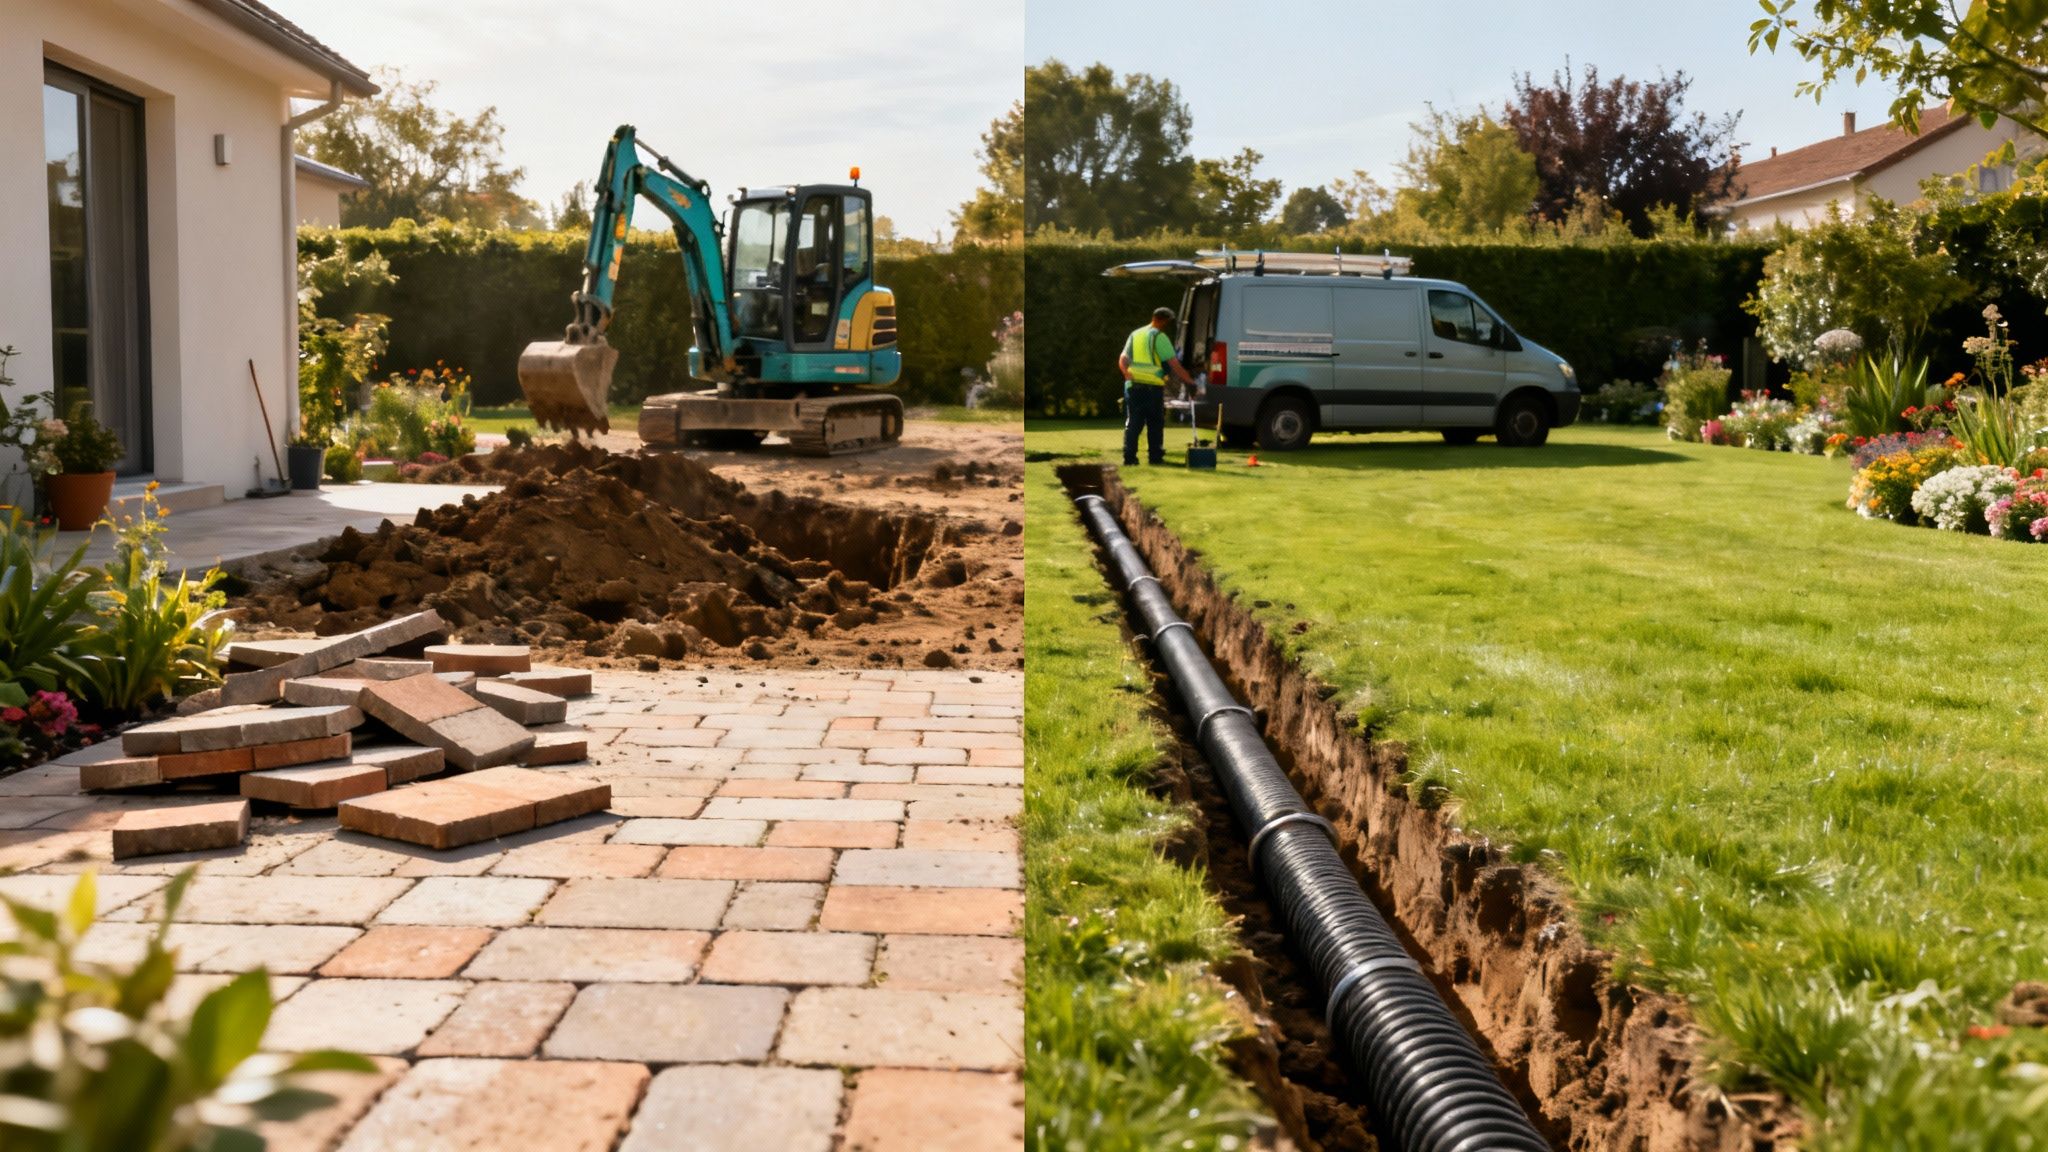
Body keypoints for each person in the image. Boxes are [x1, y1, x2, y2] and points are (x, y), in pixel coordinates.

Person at [1118, 306, 1195, 465]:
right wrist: (1190, 382)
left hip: (1133, 387)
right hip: (1152, 389)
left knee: (1133, 423)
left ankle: (1129, 458)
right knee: (1155, 424)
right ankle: (1155, 458)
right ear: (1164, 320)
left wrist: (1126, 373)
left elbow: (1123, 358)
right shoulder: (1159, 337)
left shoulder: (1136, 334)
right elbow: (1175, 365)